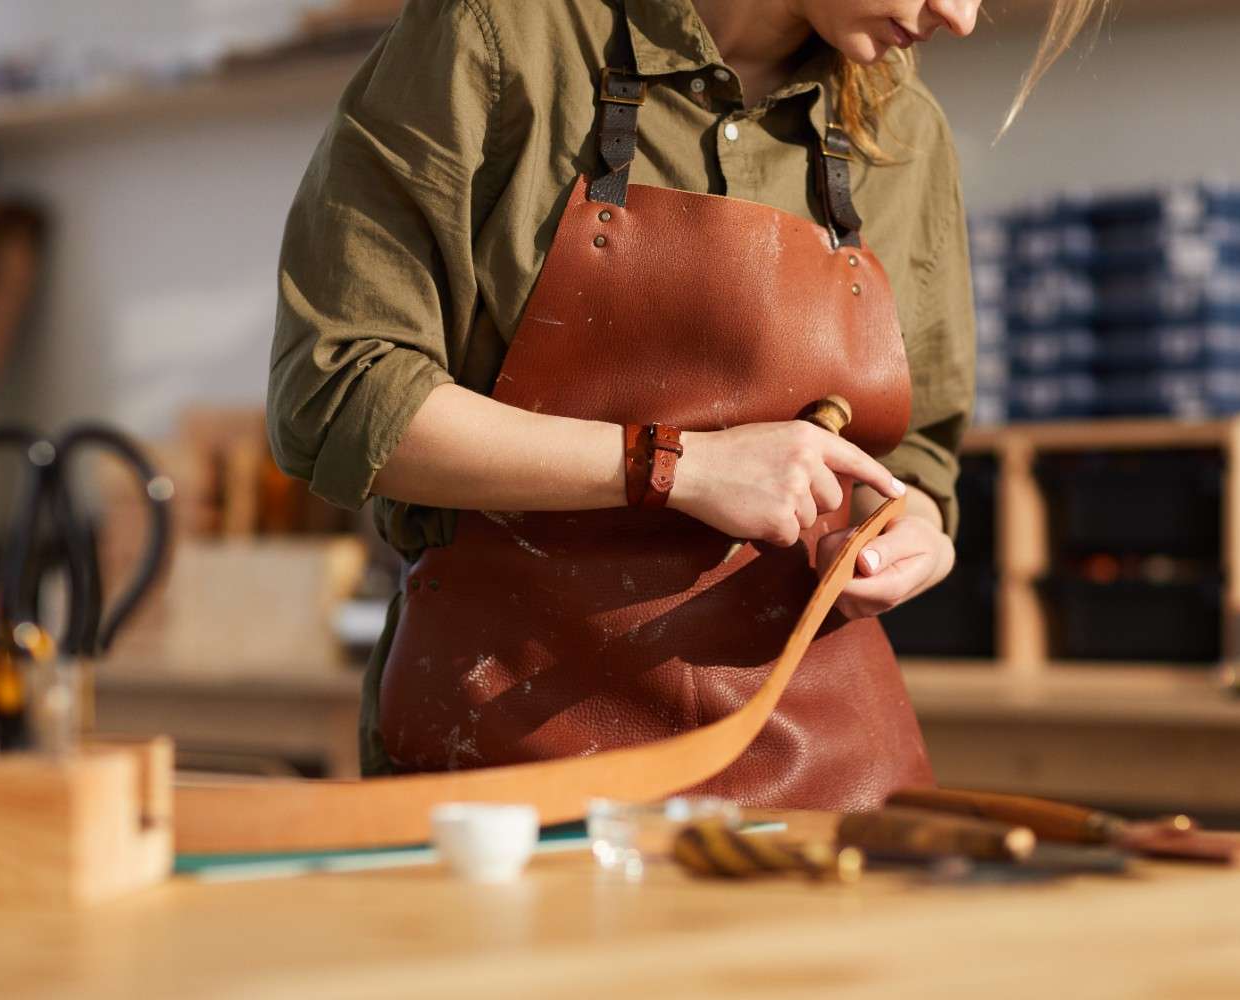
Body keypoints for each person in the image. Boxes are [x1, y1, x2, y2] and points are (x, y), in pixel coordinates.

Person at [268, 0, 1101, 807]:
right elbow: (342, 393)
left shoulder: (905, 130)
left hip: (822, 778)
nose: (958, 15)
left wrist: (917, 530)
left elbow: (913, 459)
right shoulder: (502, 34)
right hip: (515, 766)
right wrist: (678, 467)